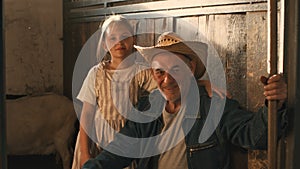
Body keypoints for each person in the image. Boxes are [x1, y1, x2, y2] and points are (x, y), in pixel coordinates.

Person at [81, 32, 288, 169]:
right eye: (159, 72)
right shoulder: (146, 108)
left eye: (176, 70)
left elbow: (256, 137)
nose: (167, 80)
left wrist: (273, 103)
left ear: (191, 70)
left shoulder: (214, 106)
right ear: (153, 74)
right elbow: (118, 152)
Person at [72, 16, 219, 169]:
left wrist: (203, 83)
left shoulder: (143, 73)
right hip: (98, 137)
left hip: (131, 132)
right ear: (104, 44)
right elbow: (87, 114)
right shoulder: (96, 74)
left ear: (133, 39)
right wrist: (84, 151)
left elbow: (171, 82)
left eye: (125, 37)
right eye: (113, 38)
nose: (119, 42)